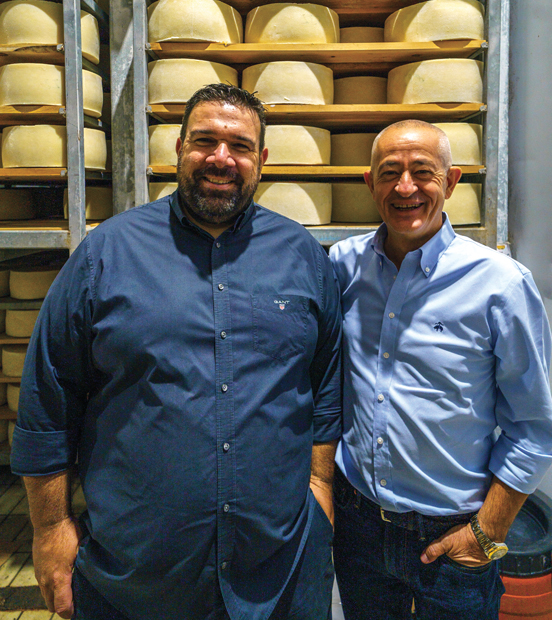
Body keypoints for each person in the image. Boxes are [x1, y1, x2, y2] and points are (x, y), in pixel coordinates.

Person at [10, 84, 342, 620]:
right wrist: (50, 528)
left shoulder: (303, 255)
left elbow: (324, 387)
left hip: (278, 568)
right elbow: (49, 399)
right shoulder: (106, 254)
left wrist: (320, 486)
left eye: (239, 145)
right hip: (136, 578)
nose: (221, 158)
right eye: (205, 140)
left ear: (261, 159)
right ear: (179, 148)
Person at [329, 119, 552, 620]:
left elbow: (534, 427)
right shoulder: (343, 265)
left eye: (422, 172)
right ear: (369, 183)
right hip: (358, 525)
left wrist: (488, 531)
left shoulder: (500, 284)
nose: (405, 187)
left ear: (451, 182)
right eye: (389, 172)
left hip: (453, 533)